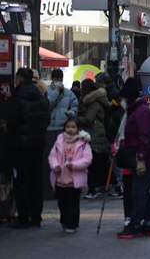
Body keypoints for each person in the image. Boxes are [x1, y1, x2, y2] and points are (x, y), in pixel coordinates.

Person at [116, 78, 150, 239]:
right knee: (143, 193)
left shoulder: (140, 112)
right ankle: (149, 223)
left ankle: (134, 225)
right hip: (141, 157)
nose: (121, 102)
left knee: (139, 194)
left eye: (122, 99)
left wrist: (141, 159)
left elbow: (145, 137)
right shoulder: (136, 110)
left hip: (144, 159)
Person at [5, 67, 50, 228]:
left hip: (20, 147)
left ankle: (24, 217)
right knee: (36, 181)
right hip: (38, 145)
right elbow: (47, 120)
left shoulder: (17, 99)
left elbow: (11, 123)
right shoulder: (42, 97)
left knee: (21, 181)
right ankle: (36, 217)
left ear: (20, 78)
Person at [48, 117, 93, 233]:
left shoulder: (82, 143)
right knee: (61, 202)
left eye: (73, 127)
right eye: (68, 127)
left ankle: (72, 224)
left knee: (72, 203)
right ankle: (64, 220)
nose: (70, 129)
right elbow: (52, 156)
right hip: (60, 179)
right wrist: (55, 165)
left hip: (74, 181)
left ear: (78, 129)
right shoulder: (59, 141)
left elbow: (87, 159)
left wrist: (74, 165)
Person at [76, 79, 112, 199]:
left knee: (96, 164)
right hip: (92, 136)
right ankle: (101, 187)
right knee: (96, 164)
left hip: (94, 137)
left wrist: (76, 119)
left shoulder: (93, 102)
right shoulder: (91, 101)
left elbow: (89, 119)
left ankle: (102, 187)